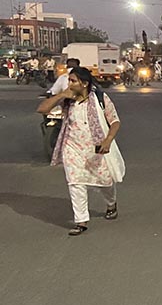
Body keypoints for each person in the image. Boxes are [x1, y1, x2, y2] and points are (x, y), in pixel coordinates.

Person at [37, 67, 124, 236]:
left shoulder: (100, 98)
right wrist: (62, 95)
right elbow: (42, 109)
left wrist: (107, 140)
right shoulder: (67, 100)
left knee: (105, 181)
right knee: (75, 183)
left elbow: (115, 121)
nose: (69, 84)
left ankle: (111, 203)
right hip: (72, 148)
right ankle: (81, 220)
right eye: (69, 80)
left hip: (96, 148)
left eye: (73, 81)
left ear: (84, 84)